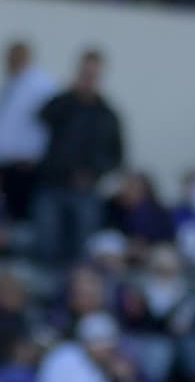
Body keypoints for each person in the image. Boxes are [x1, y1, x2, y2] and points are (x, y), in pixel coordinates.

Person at [32, 48, 125, 266]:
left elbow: (117, 155)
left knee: (83, 246)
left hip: (86, 190)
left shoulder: (107, 115)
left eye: (92, 75)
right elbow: (41, 119)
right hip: (51, 184)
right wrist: (70, 94)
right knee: (46, 242)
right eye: (85, 74)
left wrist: (93, 173)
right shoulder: (62, 104)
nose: (88, 79)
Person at [0, 40, 57, 222]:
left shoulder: (40, 85)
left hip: (25, 164)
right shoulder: (13, 84)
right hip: (8, 164)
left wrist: (34, 155)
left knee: (18, 217)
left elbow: (48, 126)